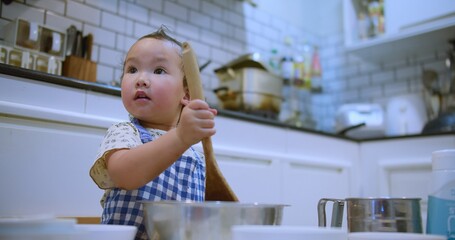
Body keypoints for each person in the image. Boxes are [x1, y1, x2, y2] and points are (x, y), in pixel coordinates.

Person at [89, 26, 217, 239]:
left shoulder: (197, 156)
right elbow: (125, 174)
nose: (141, 79)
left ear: (186, 93)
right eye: (132, 70)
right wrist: (181, 136)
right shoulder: (124, 133)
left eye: (158, 71)